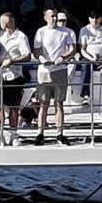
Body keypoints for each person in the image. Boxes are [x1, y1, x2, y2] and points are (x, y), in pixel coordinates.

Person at [33, 8, 77, 145]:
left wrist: (63, 57)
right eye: (52, 16)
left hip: (60, 69)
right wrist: (41, 58)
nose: (54, 18)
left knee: (59, 103)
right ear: (45, 17)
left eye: (56, 16)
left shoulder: (65, 32)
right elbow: (36, 50)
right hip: (44, 70)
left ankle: (60, 133)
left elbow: (72, 49)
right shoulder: (41, 31)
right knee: (43, 103)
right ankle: (40, 133)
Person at [0, 12, 31, 146]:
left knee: (13, 106)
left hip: (14, 75)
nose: (0, 24)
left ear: (8, 23)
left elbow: (27, 55)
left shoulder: (21, 37)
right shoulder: (1, 35)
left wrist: (11, 61)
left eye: (2, 22)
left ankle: (13, 134)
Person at [78, 10, 102, 103]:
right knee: (85, 65)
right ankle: (85, 95)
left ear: (100, 19)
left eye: (97, 18)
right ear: (89, 19)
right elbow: (82, 49)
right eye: (92, 18)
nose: (95, 20)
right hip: (88, 57)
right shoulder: (84, 30)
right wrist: (91, 58)